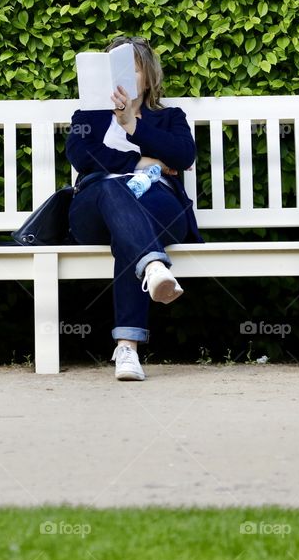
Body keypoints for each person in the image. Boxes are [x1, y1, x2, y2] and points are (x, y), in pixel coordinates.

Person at [66, 36, 202, 381]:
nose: (122, 79)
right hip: (95, 209)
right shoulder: (88, 117)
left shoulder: (169, 117)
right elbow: (81, 156)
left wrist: (132, 125)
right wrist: (141, 161)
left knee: (131, 233)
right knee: (113, 188)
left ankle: (127, 350)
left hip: (158, 208)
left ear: (148, 77)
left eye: (133, 70)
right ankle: (154, 265)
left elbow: (183, 155)